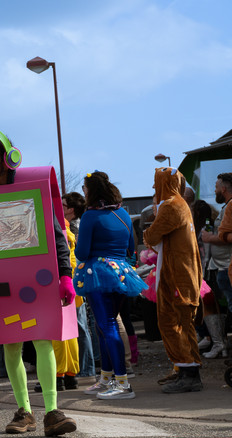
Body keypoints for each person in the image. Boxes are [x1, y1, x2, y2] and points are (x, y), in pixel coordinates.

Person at [0, 129, 76, 436]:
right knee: (11, 343)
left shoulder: (32, 187)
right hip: (0, 283)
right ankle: (24, 413)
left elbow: (56, 235)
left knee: (43, 340)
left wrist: (66, 275)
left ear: (7, 159)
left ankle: (53, 412)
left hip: (36, 280)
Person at [71, 172, 148, 400]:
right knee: (105, 325)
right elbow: (130, 248)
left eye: (85, 188)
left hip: (97, 273)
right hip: (122, 273)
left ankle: (122, 384)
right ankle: (106, 378)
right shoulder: (123, 213)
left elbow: (82, 252)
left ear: (91, 191)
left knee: (106, 325)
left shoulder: (90, 216)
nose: (83, 192)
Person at [144, 167, 204, 393]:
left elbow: (151, 235)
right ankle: (185, 368)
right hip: (182, 274)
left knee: (172, 323)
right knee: (183, 324)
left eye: (155, 182)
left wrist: (150, 231)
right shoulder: (181, 205)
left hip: (176, 276)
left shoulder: (171, 206)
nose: (153, 187)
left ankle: (189, 373)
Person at [62, 191, 95, 380]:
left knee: (81, 325)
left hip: (76, 278)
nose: (61, 208)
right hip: (76, 277)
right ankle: (83, 367)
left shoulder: (73, 227)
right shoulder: (73, 225)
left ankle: (87, 368)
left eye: (64, 205)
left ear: (72, 209)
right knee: (80, 325)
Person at [200, 173, 232, 357]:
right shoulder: (226, 207)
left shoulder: (230, 206)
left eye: (216, 187)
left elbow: (226, 237)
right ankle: (219, 344)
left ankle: (220, 344)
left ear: (224, 188)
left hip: (226, 266)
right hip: (221, 267)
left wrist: (210, 238)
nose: (214, 190)